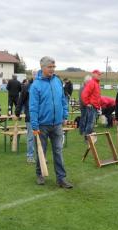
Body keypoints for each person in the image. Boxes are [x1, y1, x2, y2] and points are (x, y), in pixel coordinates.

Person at [29, 56, 73, 188]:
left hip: (57, 124)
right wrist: (35, 125)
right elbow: (33, 107)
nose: (52, 69)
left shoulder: (57, 82)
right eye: (50, 67)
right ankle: (40, 174)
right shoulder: (36, 85)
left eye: (54, 67)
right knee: (41, 151)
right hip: (42, 125)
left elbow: (63, 100)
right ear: (42, 67)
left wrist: (65, 115)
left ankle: (61, 178)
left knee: (58, 151)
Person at [15, 78, 35, 163]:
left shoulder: (42, 86)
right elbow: (20, 100)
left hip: (42, 117)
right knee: (31, 137)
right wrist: (17, 113)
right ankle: (30, 156)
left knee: (41, 138)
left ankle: (41, 157)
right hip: (30, 116)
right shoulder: (27, 87)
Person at [81, 69, 102, 139]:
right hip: (92, 106)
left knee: (91, 123)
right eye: (98, 74)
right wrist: (87, 103)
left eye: (100, 74)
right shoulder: (92, 83)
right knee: (90, 123)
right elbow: (84, 94)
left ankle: (89, 137)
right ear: (94, 74)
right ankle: (87, 138)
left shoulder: (96, 83)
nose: (100, 76)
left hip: (95, 106)